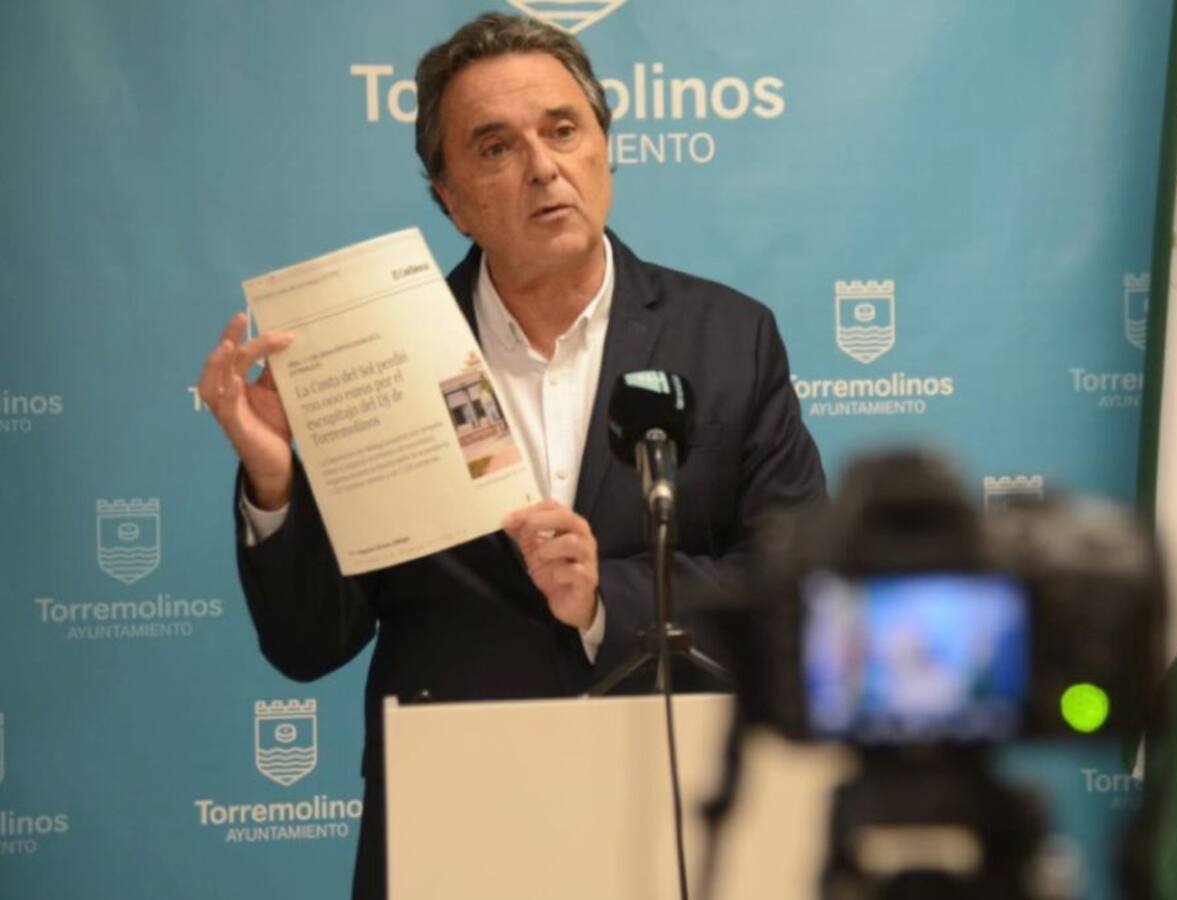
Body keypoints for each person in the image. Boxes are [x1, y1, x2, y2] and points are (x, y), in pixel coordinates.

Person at [198, 12, 825, 899]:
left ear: (605, 146)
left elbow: (795, 593)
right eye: (495, 147)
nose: (542, 167)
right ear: (450, 197)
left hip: (671, 808)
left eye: (562, 130)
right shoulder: (382, 353)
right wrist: (275, 479)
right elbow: (308, 643)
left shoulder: (729, 337)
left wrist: (608, 599)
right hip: (454, 815)